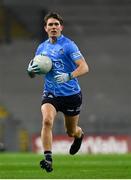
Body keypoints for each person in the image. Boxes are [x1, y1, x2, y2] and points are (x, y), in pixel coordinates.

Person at [27, 12, 89, 172]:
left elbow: (84, 67)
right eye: (50, 25)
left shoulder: (68, 45)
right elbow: (37, 71)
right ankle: (48, 159)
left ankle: (79, 134)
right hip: (51, 93)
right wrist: (30, 71)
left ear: (61, 27)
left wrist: (69, 75)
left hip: (71, 95)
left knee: (71, 132)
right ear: (45, 28)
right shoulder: (42, 47)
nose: (53, 27)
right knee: (47, 121)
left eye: (56, 24)